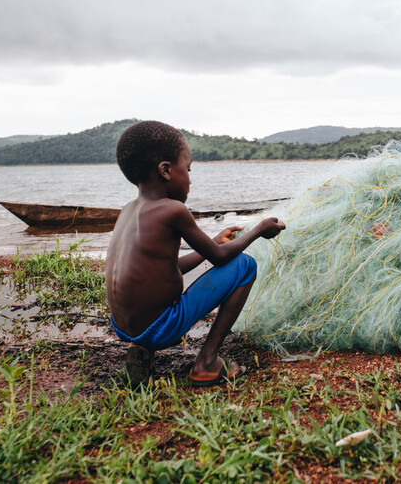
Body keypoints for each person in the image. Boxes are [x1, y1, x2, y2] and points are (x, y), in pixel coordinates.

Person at [106, 120, 285, 386]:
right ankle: (207, 363)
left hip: (124, 327)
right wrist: (259, 229)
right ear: (166, 171)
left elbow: (164, 270)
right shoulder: (173, 210)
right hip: (160, 328)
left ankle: (142, 351)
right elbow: (221, 258)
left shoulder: (129, 210)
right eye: (187, 169)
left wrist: (212, 242)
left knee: (168, 291)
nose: (189, 178)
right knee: (245, 265)